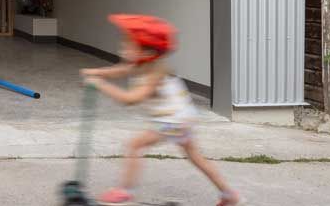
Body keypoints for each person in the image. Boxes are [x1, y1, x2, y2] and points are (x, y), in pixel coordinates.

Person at [81, 14, 241, 206]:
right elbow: (120, 70)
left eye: (128, 45)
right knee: (196, 158)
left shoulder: (154, 73)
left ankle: (124, 191)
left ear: (147, 53)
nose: (122, 47)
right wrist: (96, 72)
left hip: (171, 120)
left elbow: (131, 99)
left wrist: (100, 85)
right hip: (183, 117)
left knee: (134, 146)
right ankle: (228, 194)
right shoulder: (138, 63)